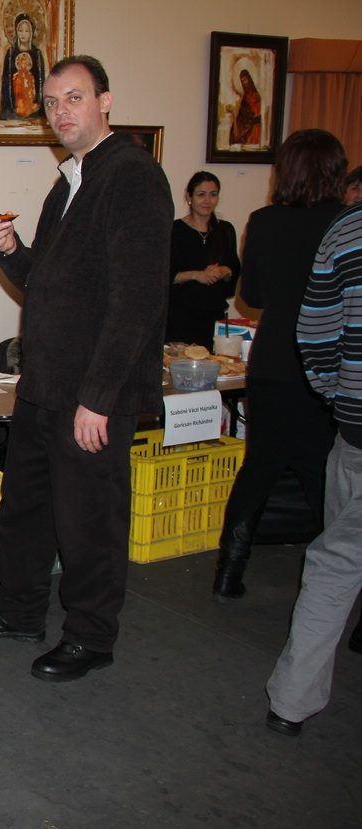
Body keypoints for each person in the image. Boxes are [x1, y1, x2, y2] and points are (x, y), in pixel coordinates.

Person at [0, 56, 173, 682]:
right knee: (26, 507)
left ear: (106, 101)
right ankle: (19, 611)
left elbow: (137, 301)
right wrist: (11, 253)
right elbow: (47, 287)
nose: (60, 112)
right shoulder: (69, 181)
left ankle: (90, 636)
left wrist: (99, 397)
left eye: (74, 98)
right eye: (51, 103)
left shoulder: (131, 176)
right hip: (44, 386)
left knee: (89, 521)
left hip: (90, 393)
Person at [211, 130, 347, 601]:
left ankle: (228, 571)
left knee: (259, 467)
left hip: (271, 362)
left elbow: (253, 296)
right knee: (326, 476)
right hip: (325, 364)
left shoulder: (263, 220)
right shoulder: (345, 222)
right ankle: (339, 583)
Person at [265, 197, 362, 736]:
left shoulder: (347, 229)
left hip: (356, 426)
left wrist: (338, 395)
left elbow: (317, 331)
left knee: (337, 561)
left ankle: (291, 703)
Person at [166, 171, 241, 347]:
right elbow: (162, 276)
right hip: (179, 318)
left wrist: (224, 271)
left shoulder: (226, 230)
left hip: (213, 318)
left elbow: (235, 269)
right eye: (201, 194)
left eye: (213, 194)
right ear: (189, 197)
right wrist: (196, 275)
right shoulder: (174, 230)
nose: (207, 201)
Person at [0, 13, 46, 121]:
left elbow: (41, 82)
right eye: (20, 30)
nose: (23, 34)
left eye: (26, 30)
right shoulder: (11, 53)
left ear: (31, 32)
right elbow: (6, 83)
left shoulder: (37, 54)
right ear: (16, 31)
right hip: (15, 105)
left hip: (32, 104)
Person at [228, 69, 262, 147]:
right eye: (242, 81)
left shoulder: (256, 96)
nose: (244, 83)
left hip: (253, 128)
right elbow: (242, 113)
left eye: (245, 80)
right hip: (243, 124)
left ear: (249, 79)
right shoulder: (244, 97)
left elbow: (256, 114)